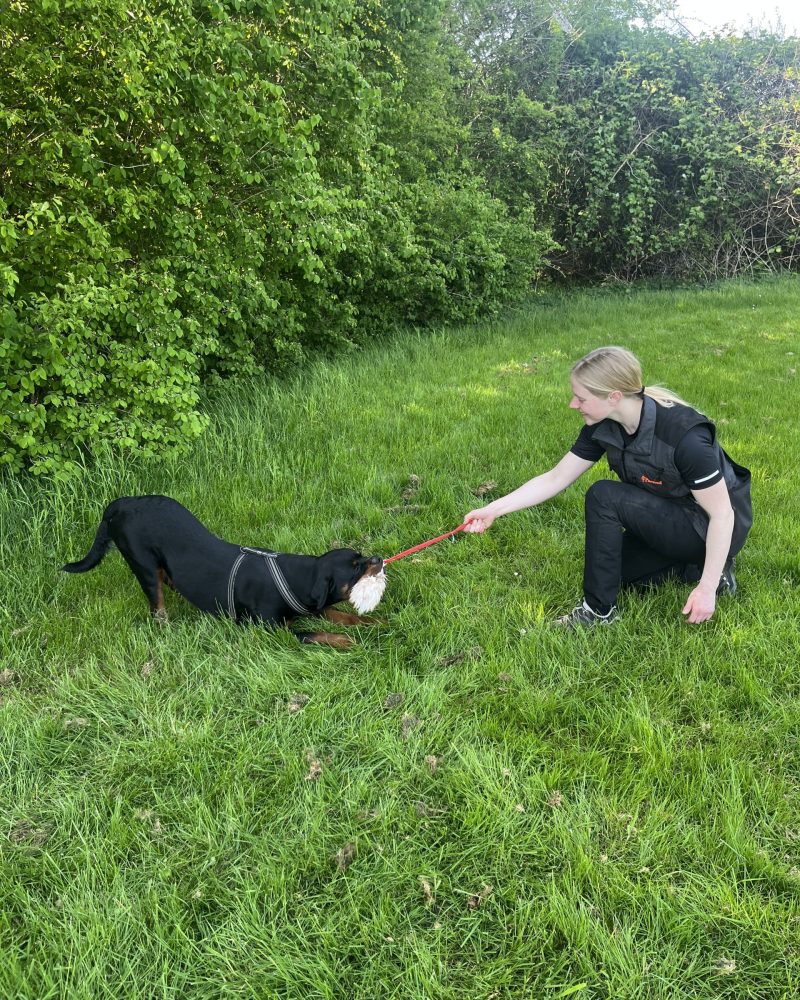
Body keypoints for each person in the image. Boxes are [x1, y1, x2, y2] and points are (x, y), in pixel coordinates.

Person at [463, 346, 752, 627]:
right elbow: (555, 478)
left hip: (710, 526)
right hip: (669, 518)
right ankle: (694, 566)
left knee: (604, 495)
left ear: (614, 396)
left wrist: (707, 589)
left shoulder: (683, 437)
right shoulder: (602, 424)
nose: (573, 405)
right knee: (616, 571)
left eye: (581, 398)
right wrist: (493, 509)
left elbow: (723, 515)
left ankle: (598, 612)